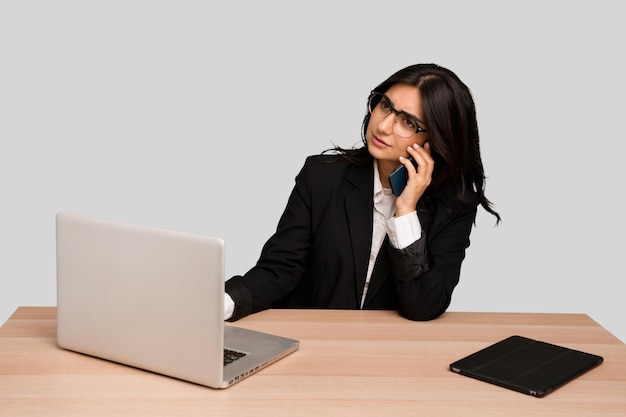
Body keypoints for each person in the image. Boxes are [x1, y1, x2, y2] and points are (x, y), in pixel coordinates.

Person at [224, 63, 500, 322]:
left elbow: (424, 306)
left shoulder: (454, 205)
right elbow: (279, 270)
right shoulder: (322, 176)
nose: (382, 126)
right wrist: (219, 303)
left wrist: (406, 213)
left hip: (391, 355)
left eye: (407, 122)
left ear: (435, 140)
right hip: (315, 344)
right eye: (385, 106)